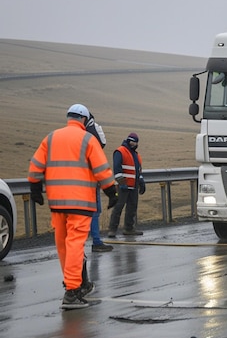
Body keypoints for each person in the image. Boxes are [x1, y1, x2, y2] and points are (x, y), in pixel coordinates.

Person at [28, 104, 118, 309]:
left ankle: (74, 283)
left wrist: (34, 189)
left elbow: (35, 166)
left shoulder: (51, 138)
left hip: (57, 203)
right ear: (85, 121)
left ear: (69, 118)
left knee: (63, 245)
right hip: (80, 203)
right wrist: (111, 191)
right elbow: (102, 169)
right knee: (76, 244)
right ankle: (72, 292)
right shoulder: (88, 139)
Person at [85, 113, 114, 252]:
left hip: (74, 183)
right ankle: (96, 242)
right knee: (94, 211)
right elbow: (101, 142)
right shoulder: (90, 135)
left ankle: (80, 244)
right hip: (89, 181)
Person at [108, 132, 145, 237]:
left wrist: (141, 181)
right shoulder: (120, 151)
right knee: (118, 207)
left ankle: (129, 229)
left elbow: (138, 171)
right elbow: (117, 169)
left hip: (133, 186)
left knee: (132, 207)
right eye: (132, 141)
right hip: (122, 186)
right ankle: (112, 230)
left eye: (136, 142)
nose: (134, 144)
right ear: (128, 140)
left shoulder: (136, 155)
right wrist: (122, 183)